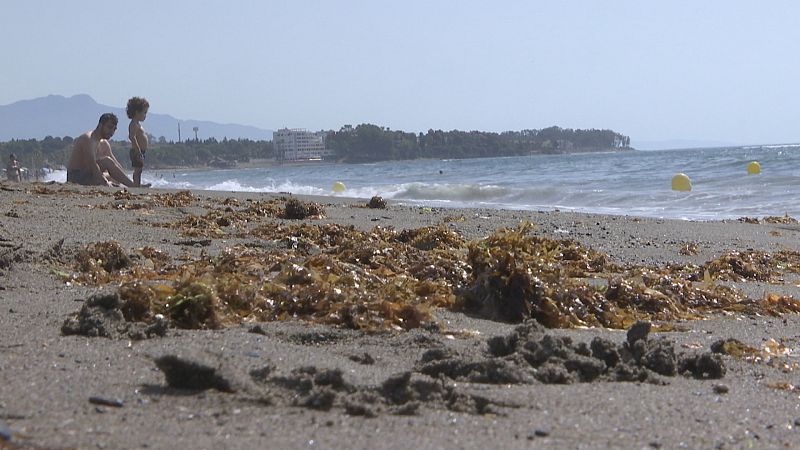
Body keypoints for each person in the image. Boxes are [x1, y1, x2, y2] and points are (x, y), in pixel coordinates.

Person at [67, 113, 139, 187]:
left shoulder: (104, 143)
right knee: (107, 161)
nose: (112, 132)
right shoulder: (88, 139)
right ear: (100, 125)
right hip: (75, 177)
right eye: (109, 127)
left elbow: (115, 165)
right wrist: (105, 183)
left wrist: (123, 178)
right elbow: (92, 165)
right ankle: (133, 186)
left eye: (114, 129)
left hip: (89, 175)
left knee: (113, 175)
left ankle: (132, 184)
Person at [127, 96, 150, 187]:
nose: (145, 116)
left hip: (141, 151)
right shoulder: (133, 124)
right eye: (144, 113)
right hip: (137, 151)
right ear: (137, 112)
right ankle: (136, 185)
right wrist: (138, 151)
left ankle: (138, 184)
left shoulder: (137, 124)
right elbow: (132, 137)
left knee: (139, 169)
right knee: (137, 170)